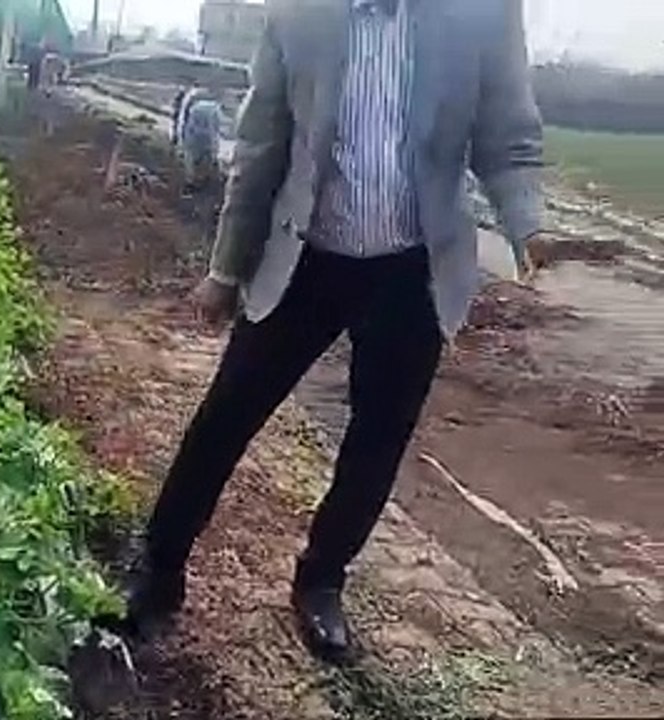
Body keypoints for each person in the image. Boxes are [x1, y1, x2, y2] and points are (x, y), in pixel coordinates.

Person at [125, 0, 545, 663]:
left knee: (377, 440)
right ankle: (160, 566)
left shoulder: (482, 15)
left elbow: (509, 140)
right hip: (306, 258)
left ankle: (321, 581)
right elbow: (261, 150)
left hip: (414, 266)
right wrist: (226, 270)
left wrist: (530, 229)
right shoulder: (299, 16)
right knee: (227, 414)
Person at [179, 96, 222, 192]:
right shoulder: (213, 109)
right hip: (205, 136)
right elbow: (215, 129)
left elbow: (184, 126)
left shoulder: (195, 110)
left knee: (192, 158)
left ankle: (193, 180)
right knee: (207, 157)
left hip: (195, 135)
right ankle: (206, 177)